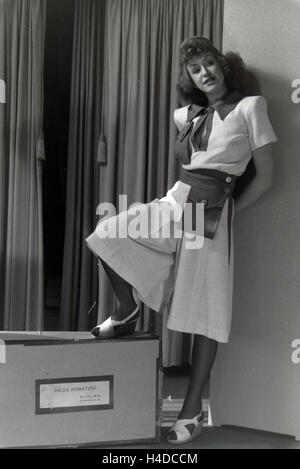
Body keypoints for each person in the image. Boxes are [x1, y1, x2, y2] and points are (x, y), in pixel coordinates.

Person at [85, 36, 277, 444]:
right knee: (108, 234)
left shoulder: (249, 108)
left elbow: (267, 176)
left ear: (224, 67)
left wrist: (226, 215)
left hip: (211, 214)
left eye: (210, 63)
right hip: (176, 202)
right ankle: (126, 309)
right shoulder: (184, 115)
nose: (204, 72)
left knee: (201, 313)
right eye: (195, 68)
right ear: (188, 77)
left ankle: (191, 412)